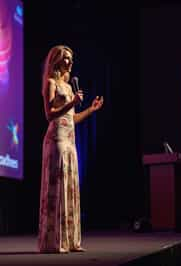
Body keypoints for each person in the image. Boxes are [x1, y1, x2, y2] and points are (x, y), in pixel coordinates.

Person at [38, 45, 104, 253]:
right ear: (56, 60)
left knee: (70, 188)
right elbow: (50, 114)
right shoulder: (51, 83)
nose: (70, 62)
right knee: (57, 189)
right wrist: (71, 103)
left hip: (70, 141)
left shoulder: (68, 87)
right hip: (56, 140)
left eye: (71, 58)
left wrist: (89, 110)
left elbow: (71, 119)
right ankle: (54, 241)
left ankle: (70, 240)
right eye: (66, 58)